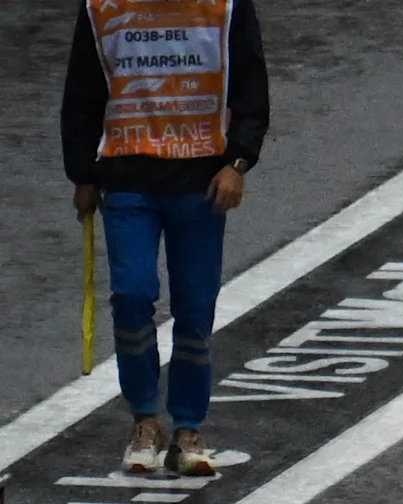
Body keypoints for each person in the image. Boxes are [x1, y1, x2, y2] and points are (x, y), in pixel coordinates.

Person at [62, 0, 266, 478]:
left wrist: (237, 164)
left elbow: (252, 85)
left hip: (201, 182)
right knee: (132, 296)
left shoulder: (224, 5)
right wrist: (83, 175)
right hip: (128, 177)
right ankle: (144, 420)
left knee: (195, 307)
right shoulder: (102, 6)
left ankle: (189, 427)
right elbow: (84, 88)